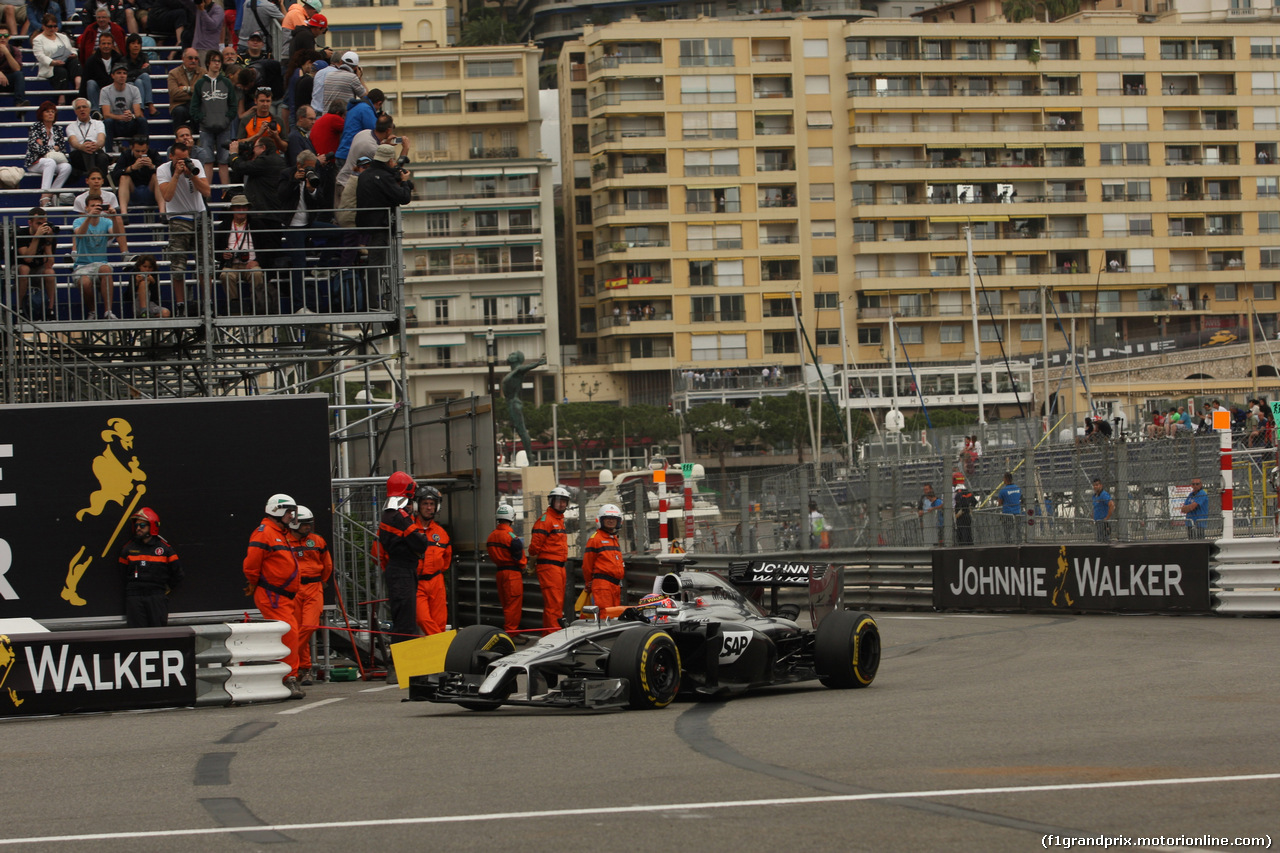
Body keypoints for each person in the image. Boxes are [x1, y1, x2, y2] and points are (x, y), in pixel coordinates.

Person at [243, 493, 306, 700]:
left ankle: (284, 677)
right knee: (289, 634)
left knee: (289, 634)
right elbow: (251, 565)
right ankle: (289, 679)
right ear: (277, 511)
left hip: (282, 596)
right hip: (273, 595)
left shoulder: (278, 532)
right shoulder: (265, 533)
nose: (291, 516)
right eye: (288, 511)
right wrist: (255, 583)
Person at [157, 141, 211, 316]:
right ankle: (180, 305)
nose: (182, 162)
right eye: (179, 159)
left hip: (199, 216)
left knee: (205, 265)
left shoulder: (195, 164)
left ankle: (207, 304)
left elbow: (207, 192)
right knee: (178, 266)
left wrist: (191, 175)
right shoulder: (163, 170)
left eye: (185, 158)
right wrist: (176, 175)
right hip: (178, 217)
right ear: (171, 156)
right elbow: (167, 196)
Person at [376, 471, 427, 651]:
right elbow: (420, 543)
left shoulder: (389, 514)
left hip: (400, 571)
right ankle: (400, 665)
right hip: (402, 572)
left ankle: (401, 664)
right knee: (405, 623)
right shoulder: (398, 516)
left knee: (404, 619)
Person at [355, 142, 411, 301]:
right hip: (379, 225)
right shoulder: (384, 177)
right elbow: (404, 198)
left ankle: (372, 296)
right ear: (389, 161)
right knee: (376, 262)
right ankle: (373, 299)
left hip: (364, 225)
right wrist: (405, 182)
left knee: (375, 261)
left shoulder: (365, 174)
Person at [286, 504, 330, 685]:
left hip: (313, 587)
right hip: (293, 589)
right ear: (295, 524)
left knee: (310, 625)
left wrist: (322, 582)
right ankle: (303, 669)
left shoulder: (317, 541)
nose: (308, 527)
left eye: (309, 523)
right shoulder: (284, 541)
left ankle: (286, 655)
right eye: (304, 524)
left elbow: (327, 565)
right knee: (296, 627)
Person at [118, 507, 182, 627]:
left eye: (142, 525)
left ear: (152, 526)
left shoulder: (165, 549)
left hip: (156, 596)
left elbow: (178, 573)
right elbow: (123, 573)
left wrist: (165, 589)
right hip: (134, 596)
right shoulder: (127, 549)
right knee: (136, 635)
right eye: (136, 525)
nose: (138, 528)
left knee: (158, 633)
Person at [528, 485, 570, 633]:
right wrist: (533, 563)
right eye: (559, 501)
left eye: (564, 501)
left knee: (556, 603)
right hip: (549, 567)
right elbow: (534, 547)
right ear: (551, 501)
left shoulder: (558, 520)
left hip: (558, 567)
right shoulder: (546, 520)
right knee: (554, 603)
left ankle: (549, 632)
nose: (562, 504)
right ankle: (553, 634)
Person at [191, 49, 236, 185]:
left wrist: (227, 119)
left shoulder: (227, 83)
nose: (217, 64)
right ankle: (207, 194)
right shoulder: (200, 84)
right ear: (208, 63)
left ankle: (225, 192)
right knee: (207, 161)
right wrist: (203, 119)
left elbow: (233, 105)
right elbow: (194, 107)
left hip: (224, 128)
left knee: (224, 162)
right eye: (214, 61)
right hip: (206, 129)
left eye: (219, 61)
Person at [411, 485, 450, 636]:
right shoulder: (410, 529)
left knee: (440, 622)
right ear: (417, 506)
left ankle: (439, 657)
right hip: (417, 582)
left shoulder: (442, 533)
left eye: (432, 504)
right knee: (423, 619)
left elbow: (446, 559)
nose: (429, 508)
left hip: (437, 582)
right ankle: (440, 645)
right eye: (425, 504)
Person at [217, 193, 266, 313]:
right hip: (231, 265)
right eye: (238, 207)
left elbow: (267, 247)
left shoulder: (257, 225)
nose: (241, 210)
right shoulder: (223, 226)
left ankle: (258, 308)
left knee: (257, 274)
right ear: (232, 209)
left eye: (244, 207)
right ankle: (235, 309)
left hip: (251, 264)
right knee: (225, 275)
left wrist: (257, 261)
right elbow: (216, 249)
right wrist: (222, 255)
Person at [72, 194, 117, 319]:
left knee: (106, 270)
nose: (95, 208)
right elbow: (79, 235)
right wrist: (89, 217)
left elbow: (116, 234)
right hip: (82, 265)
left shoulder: (107, 221)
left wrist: (114, 217)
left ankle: (108, 311)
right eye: (92, 206)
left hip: (100, 263)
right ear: (86, 208)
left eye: (98, 206)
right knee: (85, 282)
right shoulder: (78, 221)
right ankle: (92, 311)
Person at [485, 503, 526, 639]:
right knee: (513, 605)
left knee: (505, 604)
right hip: (512, 574)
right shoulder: (511, 537)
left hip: (500, 573)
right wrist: (525, 566)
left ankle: (511, 632)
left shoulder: (491, 536)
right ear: (512, 517)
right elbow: (520, 559)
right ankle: (511, 633)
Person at [24, 100, 70, 208]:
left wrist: (44, 147)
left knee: (67, 167)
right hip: (35, 162)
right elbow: (34, 147)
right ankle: (44, 197)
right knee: (50, 162)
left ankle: (49, 195)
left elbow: (62, 149)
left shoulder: (58, 129)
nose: (50, 114)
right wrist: (53, 148)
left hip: (52, 160)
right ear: (42, 114)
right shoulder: (36, 127)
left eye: (52, 112)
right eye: (47, 111)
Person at [16, 206, 59, 319]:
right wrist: (36, 237)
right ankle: (20, 307)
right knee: (24, 269)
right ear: (30, 222)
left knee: (50, 272)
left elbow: (50, 263)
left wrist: (48, 241)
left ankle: (50, 309)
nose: (42, 227)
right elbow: (27, 258)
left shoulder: (48, 235)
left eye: (44, 223)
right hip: (20, 268)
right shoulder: (21, 234)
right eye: (38, 223)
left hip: (39, 268)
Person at [73, 168, 127, 255]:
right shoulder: (79, 199)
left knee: (118, 219)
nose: (96, 181)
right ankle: (74, 253)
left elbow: (111, 222)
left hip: (106, 231)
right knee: (78, 225)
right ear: (87, 181)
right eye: (93, 179)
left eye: (99, 179)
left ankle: (125, 254)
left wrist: (112, 214)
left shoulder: (111, 196)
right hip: (88, 231)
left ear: (102, 181)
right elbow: (82, 219)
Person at [582, 503, 625, 610]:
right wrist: (588, 583)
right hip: (603, 586)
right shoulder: (595, 539)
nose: (611, 521)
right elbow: (587, 565)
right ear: (601, 520)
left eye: (614, 519)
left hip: (615, 586)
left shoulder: (614, 539)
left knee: (615, 615)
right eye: (608, 518)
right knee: (605, 616)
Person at [32, 14, 81, 103]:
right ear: (43, 26)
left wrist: (73, 54)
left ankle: (78, 84)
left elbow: (71, 49)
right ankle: (62, 96)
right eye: (50, 26)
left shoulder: (62, 36)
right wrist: (53, 62)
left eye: (55, 26)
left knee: (75, 61)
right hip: (51, 65)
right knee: (61, 71)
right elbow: (40, 56)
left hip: (65, 61)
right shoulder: (38, 40)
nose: (52, 29)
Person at [113, 135, 163, 214]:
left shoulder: (153, 153)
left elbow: (164, 173)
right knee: (124, 177)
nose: (140, 154)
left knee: (156, 176)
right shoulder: (126, 155)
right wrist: (131, 168)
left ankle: (162, 213)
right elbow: (115, 174)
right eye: (137, 151)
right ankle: (124, 214)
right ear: (131, 148)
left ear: (147, 148)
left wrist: (152, 166)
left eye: (143, 151)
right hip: (132, 191)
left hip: (150, 191)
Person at [100, 63, 146, 146]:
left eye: (124, 73)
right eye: (119, 73)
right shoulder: (105, 90)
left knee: (142, 120)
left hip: (129, 123)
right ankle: (108, 155)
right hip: (115, 125)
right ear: (112, 76)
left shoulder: (134, 89)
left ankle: (144, 152)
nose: (122, 75)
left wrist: (131, 116)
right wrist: (121, 117)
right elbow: (106, 115)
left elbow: (138, 113)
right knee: (107, 122)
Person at [65, 97, 109, 180]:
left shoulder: (99, 123)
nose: (82, 109)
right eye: (78, 108)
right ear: (75, 111)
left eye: (84, 107)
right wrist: (82, 147)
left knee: (102, 157)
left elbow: (101, 140)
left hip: (97, 153)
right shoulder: (70, 127)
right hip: (79, 157)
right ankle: (95, 182)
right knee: (86, 148)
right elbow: (73, 142)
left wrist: (96, 146)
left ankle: (95, 181)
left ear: (89, 109)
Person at [334, 88, 380, 165]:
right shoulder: (366, 109)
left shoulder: (354, 108)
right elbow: (375, 132)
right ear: (379, 103)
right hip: (351, 153)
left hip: (342, 151)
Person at [81, 31, 120, 107]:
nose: (106, 46)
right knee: (90, 83)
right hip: (98, 92)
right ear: (99, 45)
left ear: (112, 45)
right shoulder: (91, 61)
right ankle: (96, 111)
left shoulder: (119, 59)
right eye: (103, 43)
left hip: (115, 91)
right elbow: (84, 81)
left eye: (109, 44)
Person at [166, 48, 202, 130]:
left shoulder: (203, 73)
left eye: (196, 58)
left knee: (197, 111)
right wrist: (196, 93)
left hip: (197, 105)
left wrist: (187, 89)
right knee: (179, 111)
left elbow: (204, 92)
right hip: (179, 105)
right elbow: (174, 94)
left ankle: (196, 140)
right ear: (183, 59)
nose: (193, 60)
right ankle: (180, 139)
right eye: (190, 58)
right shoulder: (173, 73)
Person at [122, 34, 153, 115]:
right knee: (138, 82)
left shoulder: (144, 56)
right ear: (128, 46)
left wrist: (134, 73)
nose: (136, 46)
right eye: (133, 43)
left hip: (137, 81)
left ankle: (149, 104)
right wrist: (140, 70)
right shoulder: (124, 59)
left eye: (138, 43)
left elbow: (148, 70)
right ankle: (141, 110)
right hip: (129, 83)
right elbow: (126, 75)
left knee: (143, 77)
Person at [130, 253, 169, 317]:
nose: (147, 269)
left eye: (150, 267)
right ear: (139, 266)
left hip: (152, 305)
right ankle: (144, 311)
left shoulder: (154, 276)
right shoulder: (134, 275)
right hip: (137, 305)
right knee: (143, 283)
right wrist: (136, 283)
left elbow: (157, 297)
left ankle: (148, 316)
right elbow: (129, 295)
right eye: (144, 266)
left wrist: (153, 283)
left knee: (166, 313)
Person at [0, 24, 25, 110]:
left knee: (19, 74)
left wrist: (7, 53)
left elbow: (17, 68)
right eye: (0, 35)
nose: (3, 38)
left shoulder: (15, 50)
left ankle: (19, 104)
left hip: (8, 80)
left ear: (9, 37)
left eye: (6, 36)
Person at [996, 472, 1023, 544]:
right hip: (1017, 512)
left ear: (1005, 479)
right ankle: (1019, 542)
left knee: (1007, 530)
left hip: (1007, 513)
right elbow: (1020, 498)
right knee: (1018, 529)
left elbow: (1000, 503)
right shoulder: (1018, 488)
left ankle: (1009, 543)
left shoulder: (1003, 491)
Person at [953, 478, 976, 546]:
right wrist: (970, 508)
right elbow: (974, 502)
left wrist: (961, 511)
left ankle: (963, 549)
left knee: (962, 535)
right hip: (967, 516)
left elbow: (963, 504)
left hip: (961, 518)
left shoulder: (958, 495)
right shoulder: (969, 493)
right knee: (968, 533)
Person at [1091, 477, 1114, 542]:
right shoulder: (1094, 496)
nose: (1095, 487)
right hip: (1097, 522)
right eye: (1094, 485)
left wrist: (1107, 518)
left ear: (1100, 485)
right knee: (1099, 540)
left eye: (1097, 485)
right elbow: (1095, 507)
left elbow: (1112, 505)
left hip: (1103, 522)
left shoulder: (1103, 495)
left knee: (1104, 540)